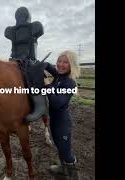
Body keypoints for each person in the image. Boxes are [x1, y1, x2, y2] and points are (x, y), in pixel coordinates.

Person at [44, 50, 80, 179]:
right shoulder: (59, 76)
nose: (61, 64)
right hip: (54, 120)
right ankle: (62, 169)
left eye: (65, 62)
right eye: (59, 61)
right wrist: (39, 63)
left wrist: (48, 85)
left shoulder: (70, 82)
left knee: (65, 151)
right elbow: (48, 66)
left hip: (62, 123)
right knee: (59, 146)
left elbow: (57, 103)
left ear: (72, 65)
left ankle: (73, 175)